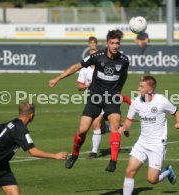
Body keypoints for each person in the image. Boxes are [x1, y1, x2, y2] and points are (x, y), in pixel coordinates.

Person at [49, 29, 129, 172]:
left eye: (118, 43)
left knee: (115, 126)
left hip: (112, 98)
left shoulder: (124, 60)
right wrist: (57, 78)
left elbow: (123, 77)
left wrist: (118, 91)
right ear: (107, 44)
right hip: (95, 98)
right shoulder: (97, 56)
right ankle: (74, 155)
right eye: (112, 43)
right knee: (82, 130)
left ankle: (113, 161)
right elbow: (76, 67)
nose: (115, 46)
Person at [0, 102, 68, 195]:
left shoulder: (13, 123)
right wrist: (55, 156)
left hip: (3, 168)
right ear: (31, 115)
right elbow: (33, 152)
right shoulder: (21, 130)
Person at [119, 76, 179, 195]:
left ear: (149, 90)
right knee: (129, 171)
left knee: (152, 180)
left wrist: (178, 123)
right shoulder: (136, 102)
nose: (138, 88)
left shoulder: (161, 101)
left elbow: (177, 113)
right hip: (142, 143)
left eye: (141, 87)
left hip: (157, 145)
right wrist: (124, 127)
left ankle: (168, 171)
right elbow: (128, 120)